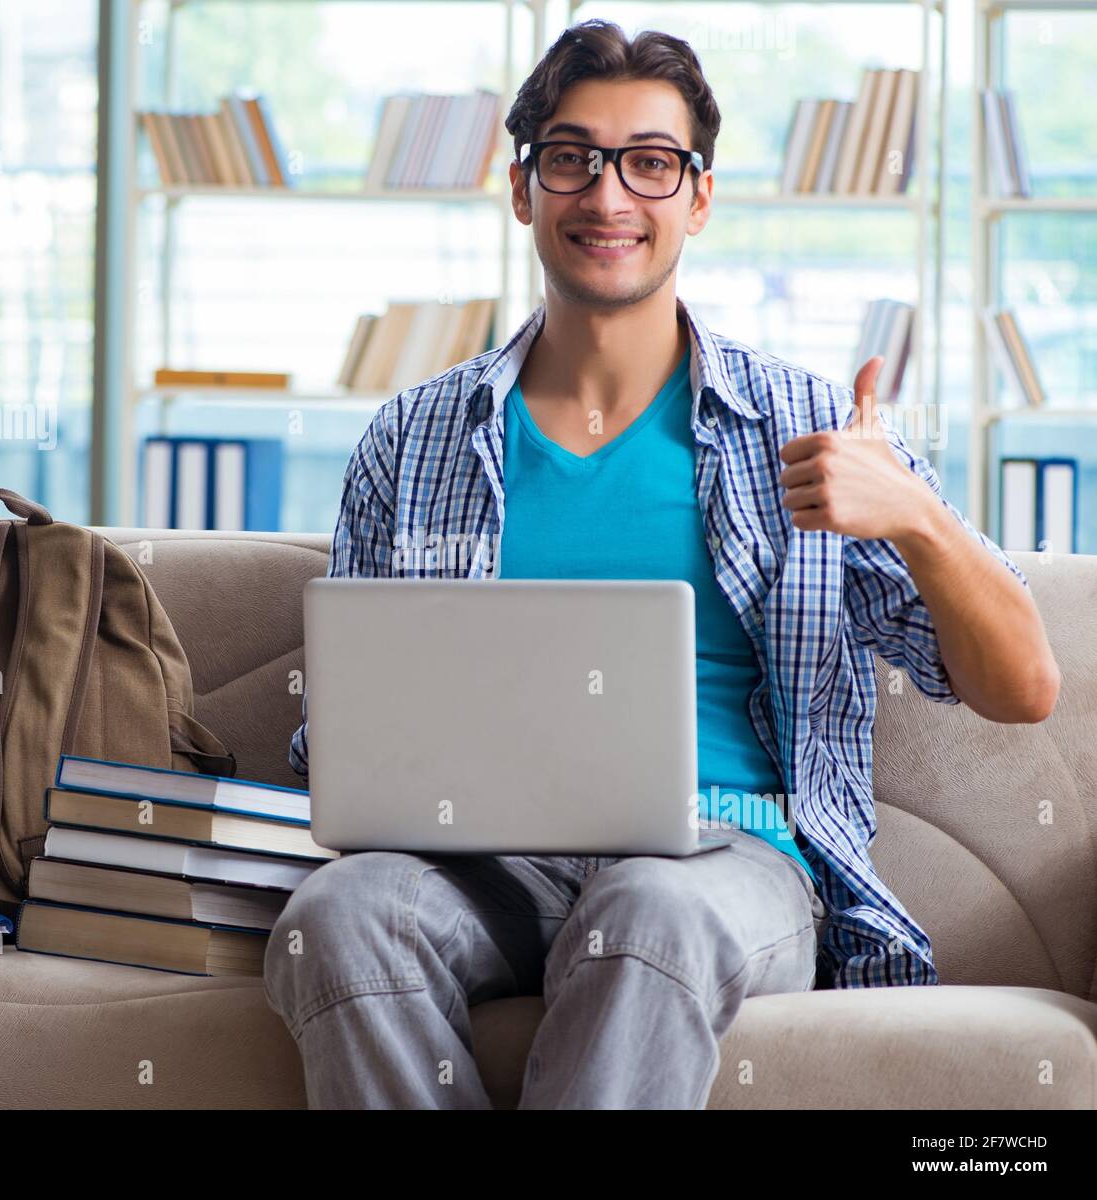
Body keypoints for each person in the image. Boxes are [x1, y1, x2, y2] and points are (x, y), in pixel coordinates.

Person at [263, 19, 1059, 1109]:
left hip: (727, 864)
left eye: (648, 162)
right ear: (520, 189)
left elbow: (1024, 688)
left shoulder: (808, 423)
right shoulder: (415, 438)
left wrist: (916, 519)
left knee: (646, 916)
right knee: (333, 923)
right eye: (570, 157)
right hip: (483, 864)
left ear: (697, 198)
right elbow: (346, 732)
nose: (606, 196)